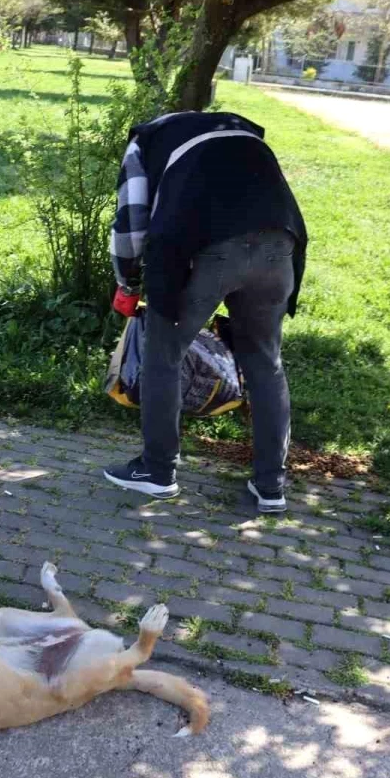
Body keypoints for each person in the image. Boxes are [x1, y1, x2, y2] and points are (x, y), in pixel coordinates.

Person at [102, 111, 308, 514]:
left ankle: (157, 471)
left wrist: (126, 280)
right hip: (280, 245)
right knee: (266, 363)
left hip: (205, 249)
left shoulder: (145, 141)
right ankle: (271, 486)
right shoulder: (247, 135)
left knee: (164, 353)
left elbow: (130, 225)